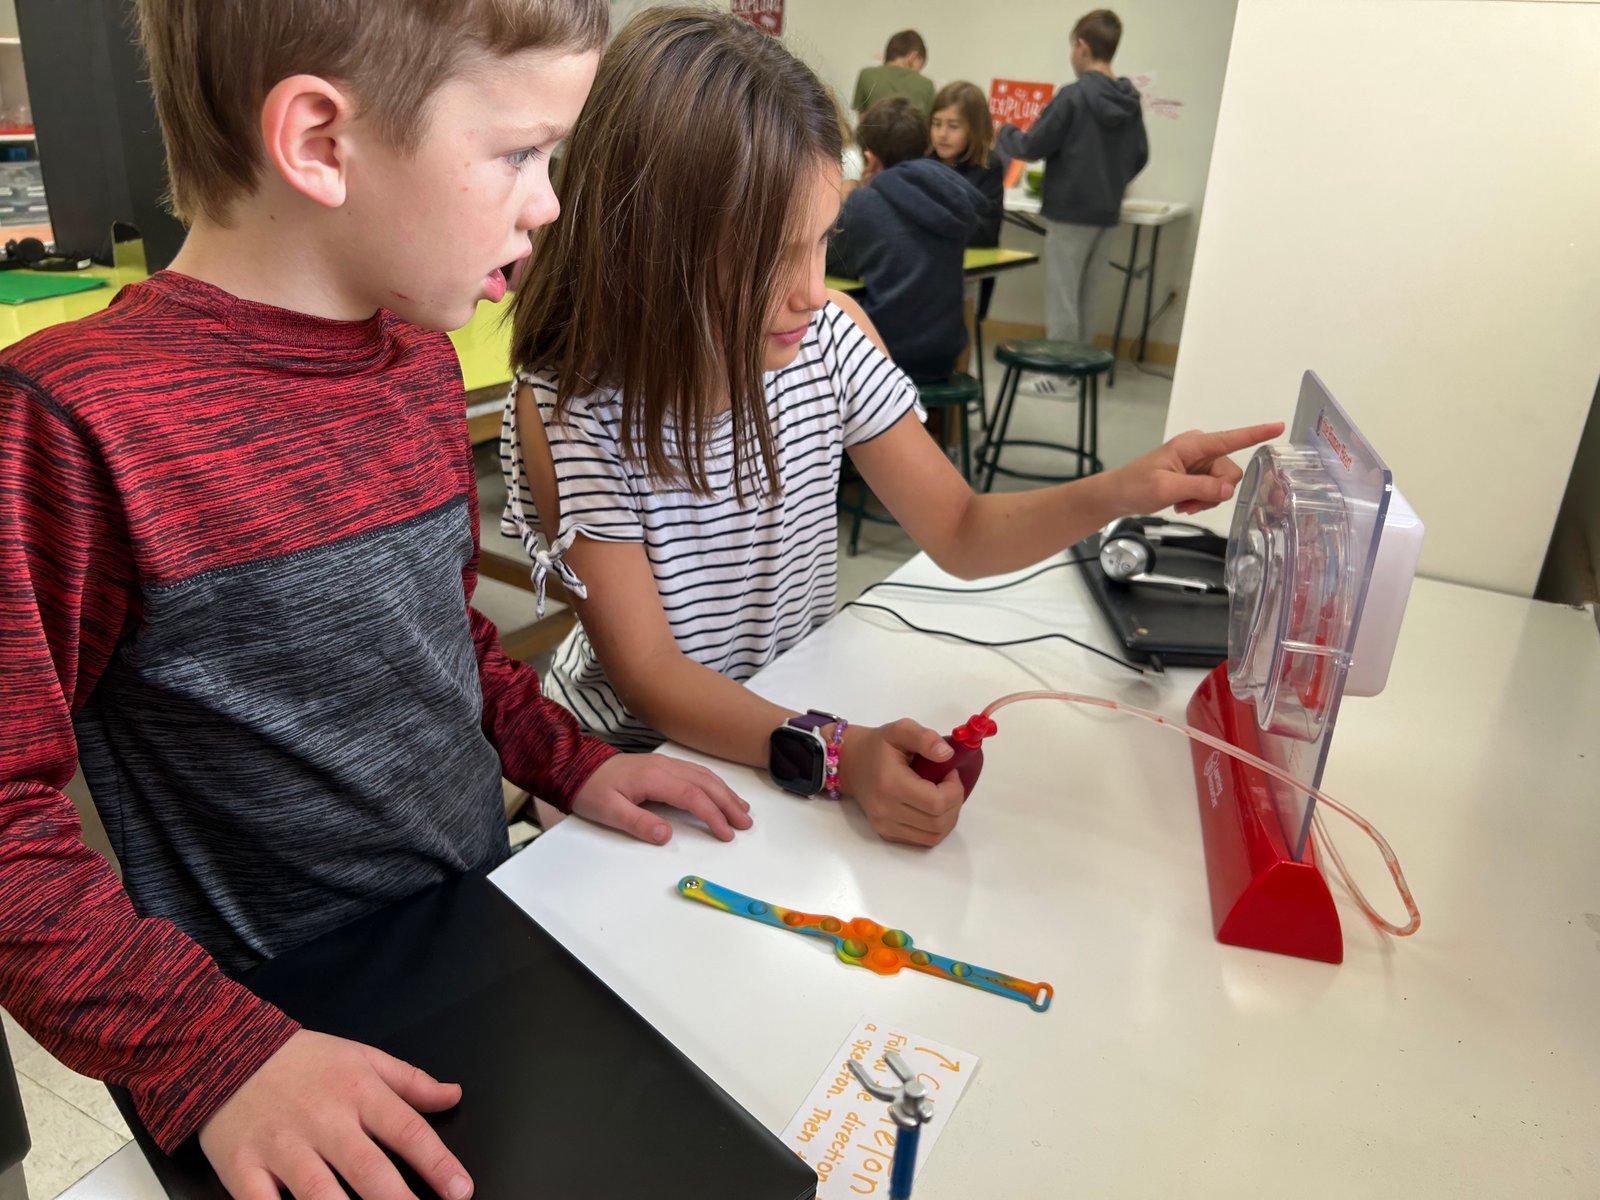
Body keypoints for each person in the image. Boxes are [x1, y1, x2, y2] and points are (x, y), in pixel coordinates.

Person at [0, 2, 750, 1198]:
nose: (549, 204)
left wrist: (566, 761)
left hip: (475, 938)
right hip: (266, 1036)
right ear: (319, 142)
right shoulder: (76, 422)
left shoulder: (417, 363)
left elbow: (444, 638)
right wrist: (211, 1053)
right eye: (519, 153)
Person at [500, 6, 1280, 853]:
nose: (810, 289)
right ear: (655, 245)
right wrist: (837, 752)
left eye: (821, 242)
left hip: (780, 721)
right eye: (768, 258)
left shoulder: (829, 337)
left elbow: (960, 527)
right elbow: (652, 675)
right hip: (635, 771)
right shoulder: (573, 408)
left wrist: (1126, 488)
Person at [997, 8, 1148, 383]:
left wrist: (1005, 131)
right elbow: (1140, 155)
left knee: (1063, 296)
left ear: (1081, 46)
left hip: (1069, 210)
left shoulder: (1073, 97)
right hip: (1106, 212)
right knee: (1087, 297)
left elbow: (1032, 146)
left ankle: (1059, 377)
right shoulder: (1130, 100)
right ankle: (1079, 374)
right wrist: (1112, 182)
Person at [827, 97, 982, 383]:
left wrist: (852, 197)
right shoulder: (951, 194)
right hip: (945, 353)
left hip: (885, 355)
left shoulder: (866, 203)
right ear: (925, 146)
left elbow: (831, 261)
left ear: (870, 159)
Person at [928, 79, 1009, 344]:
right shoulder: (923, 162)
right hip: (925, 274)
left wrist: (936, 222)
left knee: (960, 336)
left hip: (967, 276)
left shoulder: (989, 166)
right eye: (936, 123)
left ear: (974, 128)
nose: (942, 134)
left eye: (953, 126)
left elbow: (987, 232)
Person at [851, 29, 934, 116]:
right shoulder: (926, 85)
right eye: (920, 67)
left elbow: (862, 119)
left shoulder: (866, 75)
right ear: (913, 56)